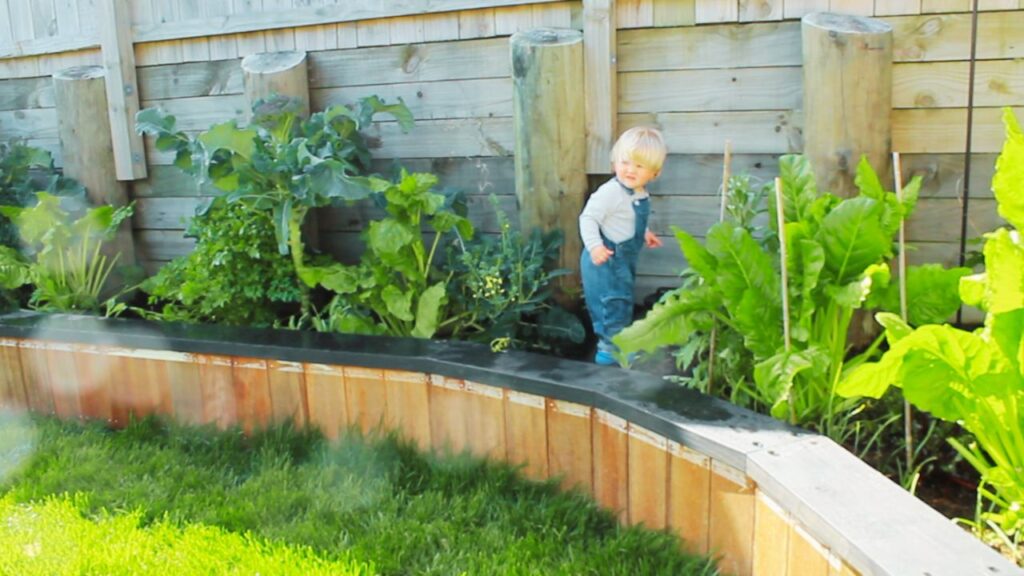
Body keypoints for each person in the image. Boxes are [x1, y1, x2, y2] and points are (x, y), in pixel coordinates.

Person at [579, 126, 666, 366]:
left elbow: (628, 219)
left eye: (640, 166)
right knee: (610, 305)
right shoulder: (610, 192)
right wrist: (595, 246)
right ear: (614, 161)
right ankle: (608, 352)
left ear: (654, 173)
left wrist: (644, 233)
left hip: (622, 260)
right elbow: (588, 218)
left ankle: (619, 344)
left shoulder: (640, 193)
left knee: (622, 300)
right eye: (626, 162)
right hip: (605, 258)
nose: (630, 170)